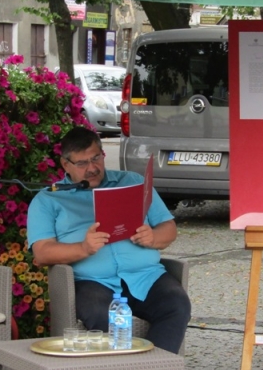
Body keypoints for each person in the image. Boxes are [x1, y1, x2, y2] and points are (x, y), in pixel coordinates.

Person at [27, 127, 191, 354]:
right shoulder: (48, 200)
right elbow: (43, 253)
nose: (92, 168)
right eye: (82, 163)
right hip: (93, 282)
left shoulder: (132, 182)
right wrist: (83, 248)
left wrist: (153, 237)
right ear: (65, 165)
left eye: (96, 158)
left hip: (145, 275)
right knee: (99, 315)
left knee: (176, 304)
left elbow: (169, 228)